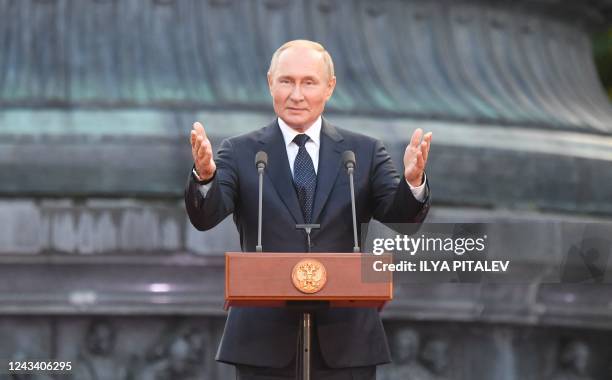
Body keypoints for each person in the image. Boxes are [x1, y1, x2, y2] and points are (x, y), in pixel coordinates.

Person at [185, 39, 432, 379]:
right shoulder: (241, 152)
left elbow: (403, 217)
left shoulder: (363, 152)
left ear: (329, 87)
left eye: (308, 82)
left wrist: (414, 182)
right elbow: (206, 216)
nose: (296, 94)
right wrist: (205, 176)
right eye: (286, 81)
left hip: (346, 341)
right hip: (263, 341)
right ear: (270, 82)